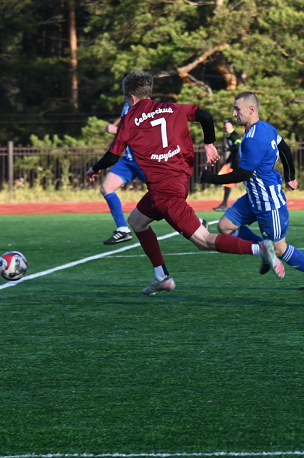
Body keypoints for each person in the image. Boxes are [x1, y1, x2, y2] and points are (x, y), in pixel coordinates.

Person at [85, 71, 284, 295]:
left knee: (203, 241)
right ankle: (162, 277)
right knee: (137, 221)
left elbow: (113, 157)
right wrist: (209, 144)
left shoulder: (129, 119)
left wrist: (94, 169)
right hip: (177, 181)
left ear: (131, 98)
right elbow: (206, 116)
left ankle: (259, 249)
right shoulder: (172, 108)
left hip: (164, 190)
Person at [201, 92, 304, 290]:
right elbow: (285, 149)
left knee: (280, 249)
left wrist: (211, 178)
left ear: (251, 109)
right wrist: (290, 175)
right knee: (225, 226)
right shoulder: (266, 128)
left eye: (237, 109)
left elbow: (243, 174)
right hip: (253, 197)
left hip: (268, 202)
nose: (234, 113)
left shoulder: (253, 138)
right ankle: (264, 250)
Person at [100, 102, 147, 245]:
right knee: (106, 188)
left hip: (143, 159)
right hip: (128, 160)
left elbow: (143, 131)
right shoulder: (128, 104)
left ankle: (196, 222)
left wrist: (116, 130)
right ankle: (123, 230)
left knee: (163, 196)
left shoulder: (144, 106)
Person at [211, 119, 242, 212]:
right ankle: (224, 204)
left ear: (232, 125)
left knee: (247, 181)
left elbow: (238, 147)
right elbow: (233, 151)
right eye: (225, 125)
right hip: (234, 162)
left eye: (228, 124)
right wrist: (227, 161)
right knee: (227, 182)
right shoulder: (228, 136)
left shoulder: (234, 135)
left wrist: (227, 149)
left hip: (240, 162)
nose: (226, 126)